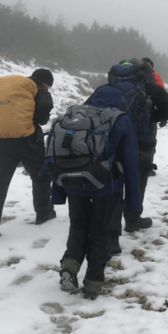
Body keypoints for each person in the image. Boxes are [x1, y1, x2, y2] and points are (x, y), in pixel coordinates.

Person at [53, 86, 141, 300]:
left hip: (73, 183)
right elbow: (131, 162)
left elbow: (56, 156)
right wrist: (134, 202)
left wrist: (58, 192)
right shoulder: (119, 119)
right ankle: (92, 284)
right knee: (101, 231)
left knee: (78, 226)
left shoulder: (72, 117)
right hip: (106, 186)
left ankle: (70, 266)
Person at [85, 59, 168, 254]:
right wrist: (149, 119)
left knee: (113, 188)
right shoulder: (150, 89)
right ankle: (133, 219)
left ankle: (111, 240)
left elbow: (88, 110)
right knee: (137, 181)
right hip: (141, 143)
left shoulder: (106, 88)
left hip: (112, 142)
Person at [0, 69, 55, 244]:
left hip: (0, 142)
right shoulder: (37, 89)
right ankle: (44, 213)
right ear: (46, 83)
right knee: (41, 175)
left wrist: (3, 117)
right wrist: (33, 119)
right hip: (27, 140)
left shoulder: (12, 89)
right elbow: (45, 106)